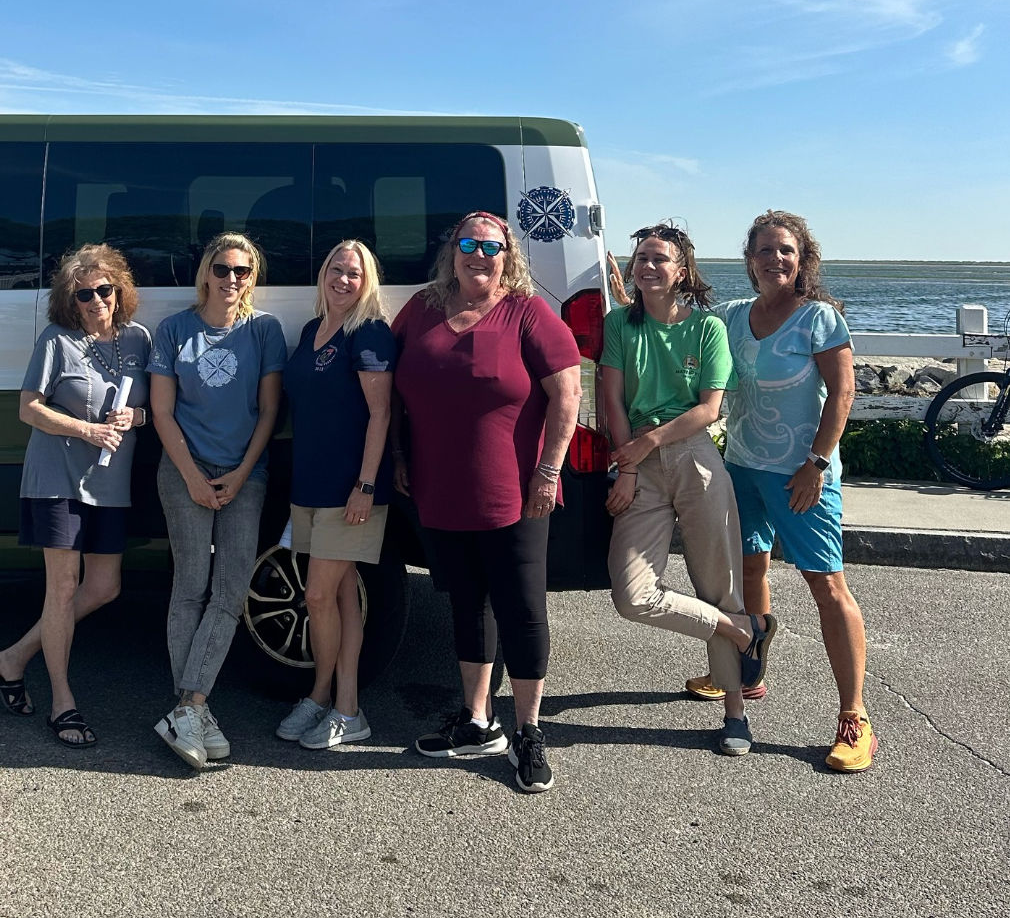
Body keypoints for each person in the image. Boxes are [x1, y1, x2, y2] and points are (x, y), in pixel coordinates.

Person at [391, 212, 581, 793]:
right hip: (439, 488)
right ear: (453, 251)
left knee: (521, 609)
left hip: (516, 494)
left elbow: (568, 395)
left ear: (508, 255)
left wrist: (548, 472)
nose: (479, 255)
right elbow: (390, 380)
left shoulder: (527, 311)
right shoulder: (422, 309)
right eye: (468, 244)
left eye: (491, 247)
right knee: (467, 603)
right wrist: (400, 456)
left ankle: (528, 730)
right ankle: (478, 721)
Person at [689, 211, 873, 771]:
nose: (775, 260)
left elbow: (843, 393)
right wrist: (626, 289)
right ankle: (751, 667)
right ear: (749, 261)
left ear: (803, 260)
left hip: (802, 475)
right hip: (742, 466)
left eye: (786, 251)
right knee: (749, 572)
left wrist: (816, 464)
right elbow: (678, 319)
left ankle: (855, 717)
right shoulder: (733, 316)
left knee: (827, 587)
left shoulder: (818, 318)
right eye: (765, 251)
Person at [600, 224, 773, 758]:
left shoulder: (707, 330)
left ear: (682, 271)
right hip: (638, 465)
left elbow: (709, 408)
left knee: (718, 583)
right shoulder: (618, 325)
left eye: (660, 259)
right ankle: (744, 630)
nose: (648, 266)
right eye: (641, 257)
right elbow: (611, 398)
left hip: (695, 458)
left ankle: (735, 714)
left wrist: (648, 441)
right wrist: (628, 466)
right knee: (632, 596)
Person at [0, 244, 151, 748]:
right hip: (57, 477)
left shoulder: (139, 340)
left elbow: (155, 406)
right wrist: (86, 430)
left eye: (105, 290)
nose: (97, 300)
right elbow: (29, 409)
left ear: (120, 291)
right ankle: (62, 702)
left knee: (103, 587)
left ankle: (10, 660)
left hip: (110, 484)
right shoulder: (57, 340)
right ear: (70, 299)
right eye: (85, 294)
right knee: (61, 588)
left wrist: (135, 417)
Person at [148, 231, 288, 768]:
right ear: (206, 271)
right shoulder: (175, 330)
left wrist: (239, 474)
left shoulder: (265, 330)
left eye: (244, 271)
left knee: (230, 590)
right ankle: (192, 712)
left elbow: (269, 411)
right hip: (183, 472)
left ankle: (190, 707)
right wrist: (194, 478)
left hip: (245, 475)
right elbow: (162, 412)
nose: (233, 280)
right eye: (225, 269)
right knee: (189, 587)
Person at [276, 240, 394, 750]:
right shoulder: (311, 329)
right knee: (343, 595)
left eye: (355, 273)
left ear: (367, 281)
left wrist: (365, 486)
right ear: (323, 274)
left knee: (318, 595)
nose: (344, 280)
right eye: (337, 270)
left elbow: (380, 414)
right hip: (311, 484)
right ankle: (340, 705)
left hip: (352, 490)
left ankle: (330, 697)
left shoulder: (368, 332)